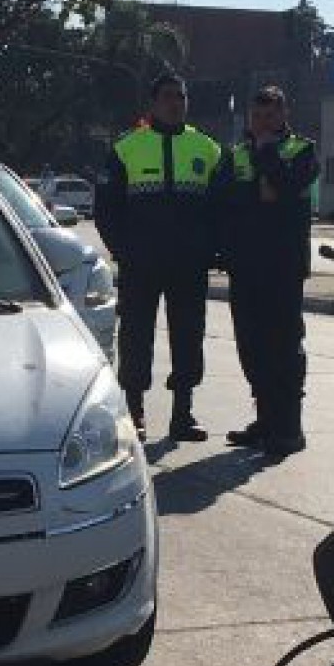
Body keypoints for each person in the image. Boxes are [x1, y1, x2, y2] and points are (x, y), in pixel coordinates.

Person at [96, 72, 223, 440]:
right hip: (141, 265)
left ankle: (183, 415)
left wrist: (211, 249)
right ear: (153, 103)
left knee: (188, 337)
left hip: (189, 264)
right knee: (136, 337)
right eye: (168, 97)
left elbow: (222, 207)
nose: (175, 103)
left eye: (181, 97)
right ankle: (134, 411)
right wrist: (125, 251)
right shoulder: (126, 148)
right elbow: (106, 209)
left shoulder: (208, 149)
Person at [213, 85, 320, 457]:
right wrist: (262, 193)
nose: (263, 121)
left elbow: (288, 191)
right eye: (257, 115)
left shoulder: (302, 150)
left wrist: (268, 156)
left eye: (271, 113)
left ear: (284, 114)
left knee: (284, 348)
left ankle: (288, 428)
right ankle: (265, 420)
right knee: (252, 347)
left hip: (284, 267)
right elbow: (224, 201)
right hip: (245, 266)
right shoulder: (234, 154)